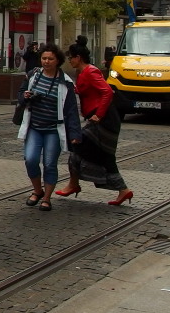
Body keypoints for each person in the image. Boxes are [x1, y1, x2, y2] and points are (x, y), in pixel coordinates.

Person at [55, 36, 135, 206]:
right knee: (105, 155)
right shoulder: (83, 72)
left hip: (104, 119)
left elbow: (107, 92)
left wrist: (98, 115)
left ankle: (74, 184)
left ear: (78, 58)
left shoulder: (91, 71)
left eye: (71, 57)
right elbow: (86, 91)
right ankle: (123, 190)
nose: (69, 61)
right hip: (98, 118)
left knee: (79, 145)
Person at [17, 43, 82, 211]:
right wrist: (25, 96)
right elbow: (20, 95)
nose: (46, 61)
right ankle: (37, 190)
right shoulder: (33, 75)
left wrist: (75, 134)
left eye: (50, 59)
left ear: (57, 60)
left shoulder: (65, 82)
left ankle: (46, 198)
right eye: (44, 58)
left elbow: (71, 110)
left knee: (49, 163)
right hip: (34, 127)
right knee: (30, 159)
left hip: (54, 129)